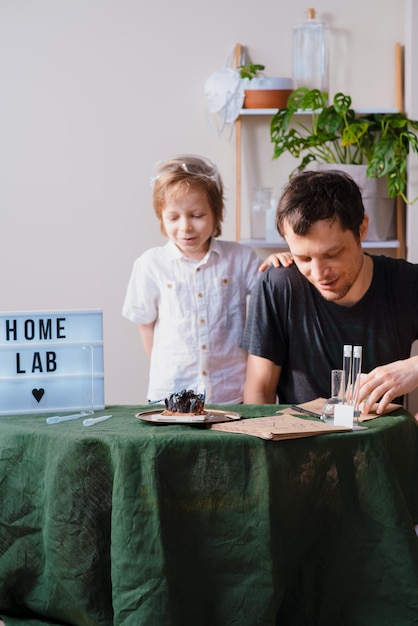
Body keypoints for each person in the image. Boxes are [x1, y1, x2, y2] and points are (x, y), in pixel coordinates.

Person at [242, 169, 418, 415]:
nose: (319, 273)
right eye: (303, 257)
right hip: (298, 446)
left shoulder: (407, 282)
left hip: (381, 447)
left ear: (362, 228)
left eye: (332, 254)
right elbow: (258, 393)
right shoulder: (279, 285)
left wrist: (414, 368)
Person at [122, 154, 289, 404]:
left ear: (215, 214)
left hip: (229, 390)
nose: (185, 227)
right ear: (161, 218)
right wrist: (162, 370)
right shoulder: (150, 264)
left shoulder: (240, 258)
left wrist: (279, 260)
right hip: (171, 393)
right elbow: (145, 323)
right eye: (173, 218)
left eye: (197, 215)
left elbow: (268, 291)